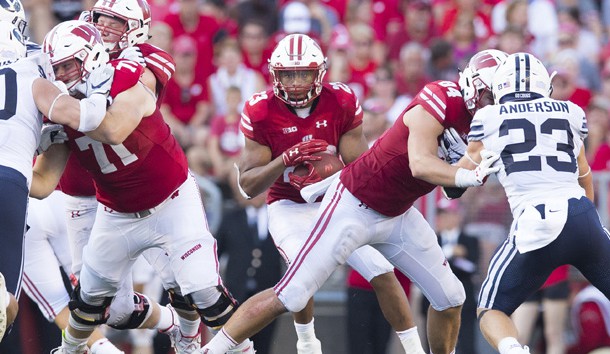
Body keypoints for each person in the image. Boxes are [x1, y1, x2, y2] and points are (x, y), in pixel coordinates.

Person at [200, 48, 509, 354]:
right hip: (355, 205)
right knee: (292, 293)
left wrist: (470, 163)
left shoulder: (488, 125)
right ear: (472, 87)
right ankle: (212, 350)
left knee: (451, 297)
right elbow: (420, 163)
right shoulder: (441, 96)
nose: (495, 106)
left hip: (399, 212)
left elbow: (452, 191)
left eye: (501, 99)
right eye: (490, 97)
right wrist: (469, 173)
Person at [32, 21, 254, 354]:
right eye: (56, 68)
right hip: (115, 212)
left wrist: (68, 111)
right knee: (90, 303)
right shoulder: (62, 113)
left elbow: (114, 129)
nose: (61, 76)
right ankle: (69, 350)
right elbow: (43, 183)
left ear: (91, 58)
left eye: (68, 65)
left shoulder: (128, 80)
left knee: (206, 293)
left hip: (172, 202)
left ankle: (242, 350)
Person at [233, 32, 419, 354]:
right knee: (299, 275)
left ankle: (414, 349)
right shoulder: (261, 110)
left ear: (319, 72)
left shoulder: (341, 100)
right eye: (287, 75)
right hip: (288, 206)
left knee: (382, 271)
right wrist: (285, 160)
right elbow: (249, 186)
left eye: (302, 73)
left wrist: (334, 174)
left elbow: (359, 166)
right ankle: (308, 343)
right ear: (275, 75)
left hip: (336, 201)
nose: (294, 83)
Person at [464, 52, 610, 354]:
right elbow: (584, 175)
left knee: (491, 309)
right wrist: (588, 227)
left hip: (536, 222)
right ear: (545, 83)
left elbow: (462, 176)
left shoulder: (488, 117)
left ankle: (514, 350)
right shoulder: (570, 112)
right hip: (580, 214)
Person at [0, 18, 115, 343]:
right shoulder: (34, 69)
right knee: (9, 306)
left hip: (27, 187)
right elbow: (86, 117)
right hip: (17, 185)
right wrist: (99, 92)